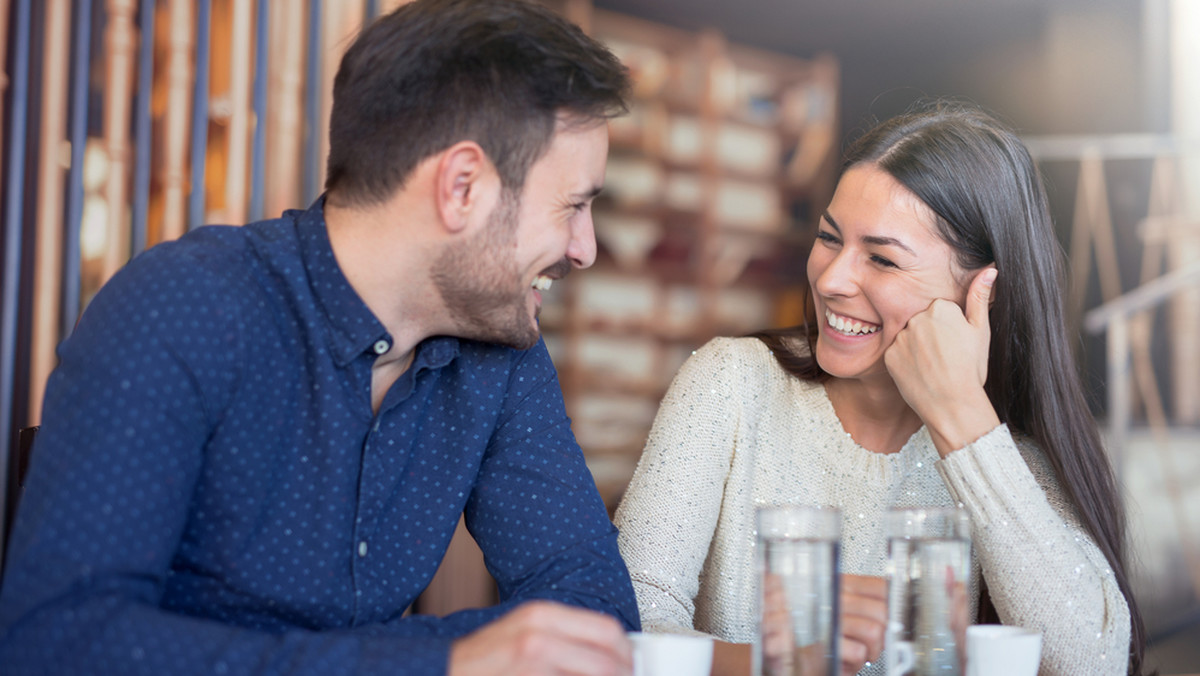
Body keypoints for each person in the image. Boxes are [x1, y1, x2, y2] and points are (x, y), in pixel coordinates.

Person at [0, 1, 641, 674]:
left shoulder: (502, 354)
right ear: (461, 187)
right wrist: (443, 662)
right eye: (573, 205)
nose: (586, 249)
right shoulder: (183, 307)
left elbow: (593, 609)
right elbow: (57, 642)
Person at [614, 101, 1146, 676]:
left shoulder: (1016, 456)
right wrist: (785, 662)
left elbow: (1094, 663)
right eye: (828, 238)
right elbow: (628, 621)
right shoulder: (731, 385)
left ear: (982, 293)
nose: (832, 279)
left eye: (883, 260)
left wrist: (963, 419)